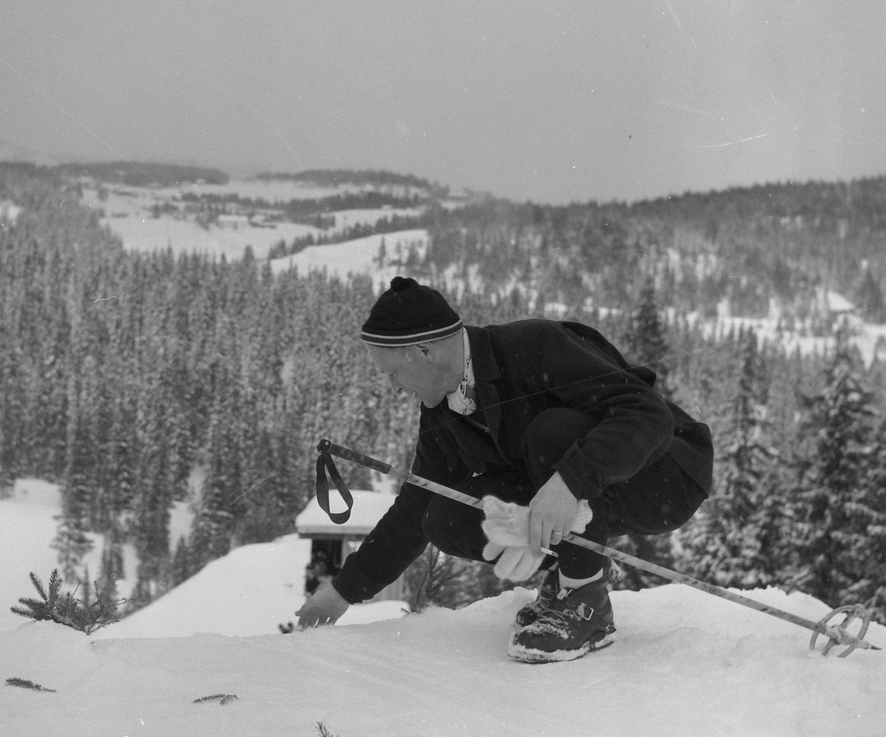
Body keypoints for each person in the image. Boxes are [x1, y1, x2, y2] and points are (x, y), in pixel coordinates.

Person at [295, 277, 714, 662]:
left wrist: (570, 483)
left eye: (393, 373)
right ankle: (569, 572)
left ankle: (584, 601)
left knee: (551, 432)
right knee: (442, 515)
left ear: (424, 351)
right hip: (590, 490)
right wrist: (342, 591)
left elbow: (648, 416)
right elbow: (415, 505)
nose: (394, 387)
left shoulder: (532, 346)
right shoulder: (442, 409)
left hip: (665, 476)